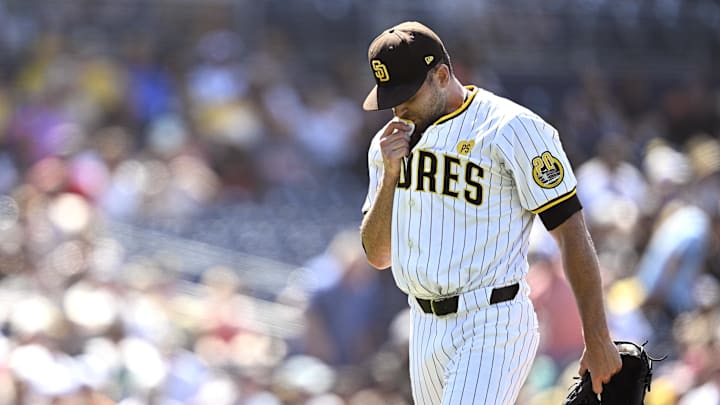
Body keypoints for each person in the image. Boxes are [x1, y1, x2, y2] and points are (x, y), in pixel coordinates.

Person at [358, 21, 621, 404]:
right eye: (390, 97)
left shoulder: (513, 129)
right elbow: (378, 255)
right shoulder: (388, 147)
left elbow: (571, 232)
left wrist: (597, 337)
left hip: (491, 319)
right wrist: (391, 177)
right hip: (424, 325)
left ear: (442, 75)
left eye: (407, 94)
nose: (398, 108)